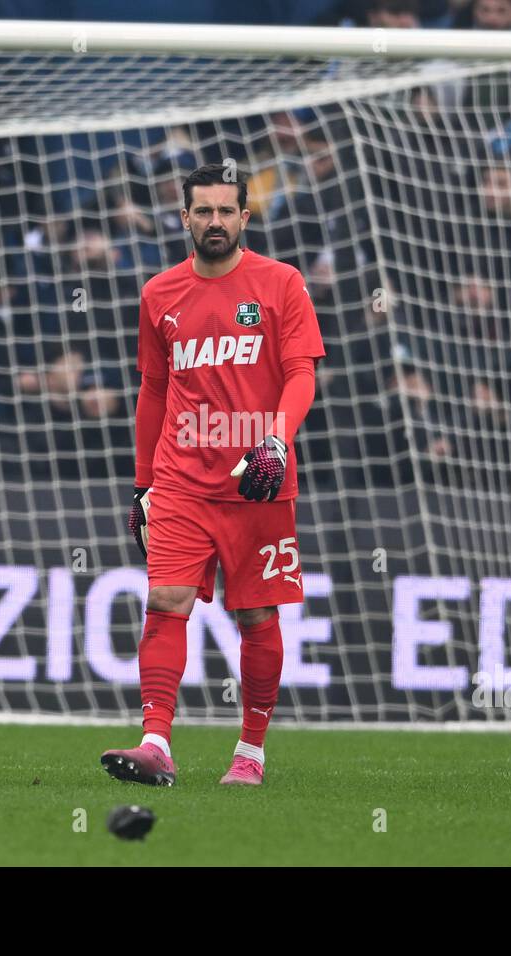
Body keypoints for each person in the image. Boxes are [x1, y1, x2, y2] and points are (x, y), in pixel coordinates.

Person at [100, 164, 326, 788]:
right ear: (185, 219)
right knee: (165, 602)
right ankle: (155, 743)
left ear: (245, 218)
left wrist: (275, 441)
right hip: (180, 481)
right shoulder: (159, 294)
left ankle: (250, 752)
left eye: (227, 211)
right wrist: (144, 483)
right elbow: (152, 389)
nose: (216, 222)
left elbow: (301, 373)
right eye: (204, 212)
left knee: (256, 618)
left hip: (259, 478)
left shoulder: (281, 284)